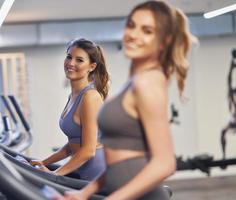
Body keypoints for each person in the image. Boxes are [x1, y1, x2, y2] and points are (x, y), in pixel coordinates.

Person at [64, 1, 196, 199]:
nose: (133, 34)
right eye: (131, 25)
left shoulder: (148, 83)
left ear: (164, 41)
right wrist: (84, 193)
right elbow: (118, 163)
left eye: (147, 30)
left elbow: (165, 163)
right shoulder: (133, 83)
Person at [30, 38, 110, 181]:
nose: (71, 63)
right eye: (69, 57)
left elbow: (88, 150)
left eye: (79, 60)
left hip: (96, 171)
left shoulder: (90, 97)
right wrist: (44, 162)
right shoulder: (74, 95)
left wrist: (54, 175)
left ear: (92, 66)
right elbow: (72, 145)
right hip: (82, 168)